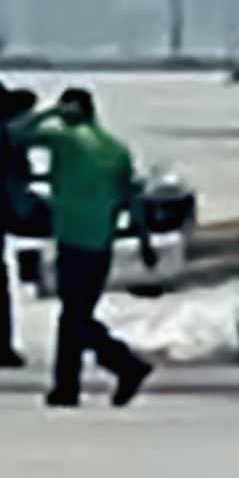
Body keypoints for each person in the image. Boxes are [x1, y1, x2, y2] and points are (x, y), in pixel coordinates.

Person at [28, 87, 154, 409]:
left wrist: (51, 114)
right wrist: (144, 242)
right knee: (76, 315)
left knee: (74, 318)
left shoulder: (66, 139)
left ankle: (125, 364)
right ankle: (66, 388)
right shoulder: (116, 149)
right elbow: (132, 198)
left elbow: (17, 135)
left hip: (72, 238)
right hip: (101, 242)